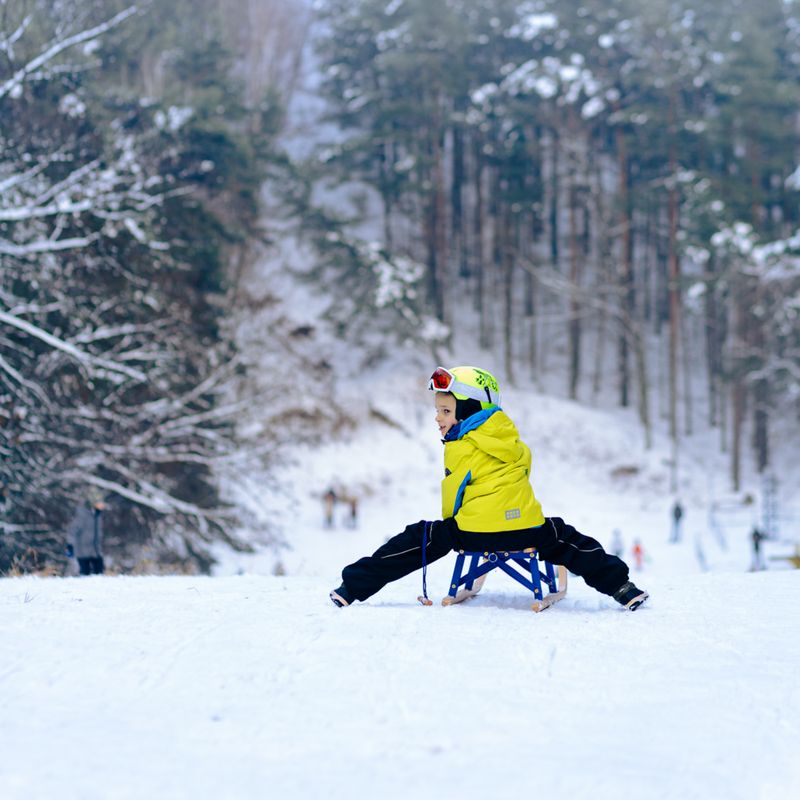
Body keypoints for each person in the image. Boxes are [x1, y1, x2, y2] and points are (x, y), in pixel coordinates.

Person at [330, 366, 648, 611]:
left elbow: (452, 498)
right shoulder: (512, 439)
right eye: (438, 410)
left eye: (445, 411)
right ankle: (622, 588)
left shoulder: (460, 445)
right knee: (566, 538)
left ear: (469, 411)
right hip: (526, 529)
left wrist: (453, 524)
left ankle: (351, 588)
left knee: (417, 539)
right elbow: (521, 473)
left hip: (470, 532)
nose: (437, 418)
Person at [66, 487, 106, 575]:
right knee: (85, 576)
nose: (103, 505)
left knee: (100, 575)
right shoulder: (82, 516)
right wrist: (70, 546)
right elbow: (72, 531)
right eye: (100, 502)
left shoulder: (98, 516)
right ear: (93, 503)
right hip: (83, 552)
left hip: (96, 551)